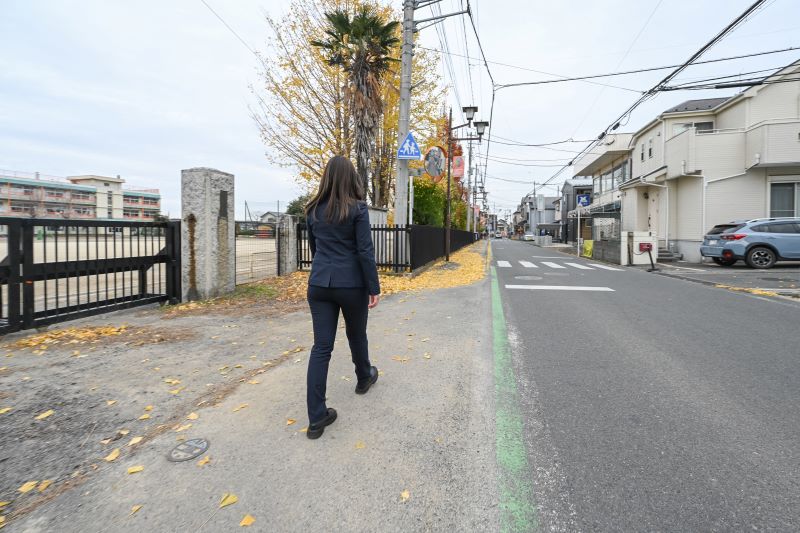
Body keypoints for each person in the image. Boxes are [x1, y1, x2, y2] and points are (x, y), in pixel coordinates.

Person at [303, 155, 381, 439]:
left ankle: (316, 418)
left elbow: (315, 249)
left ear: (326, 178)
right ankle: (363, 377)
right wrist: (374, 287)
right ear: (351, 179)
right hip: (351, 285)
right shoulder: (358, 210)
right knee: (356, 334)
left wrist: (325, 270)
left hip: (320, 284)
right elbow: (364, 251)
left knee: (321, 347)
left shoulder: (312, 210)